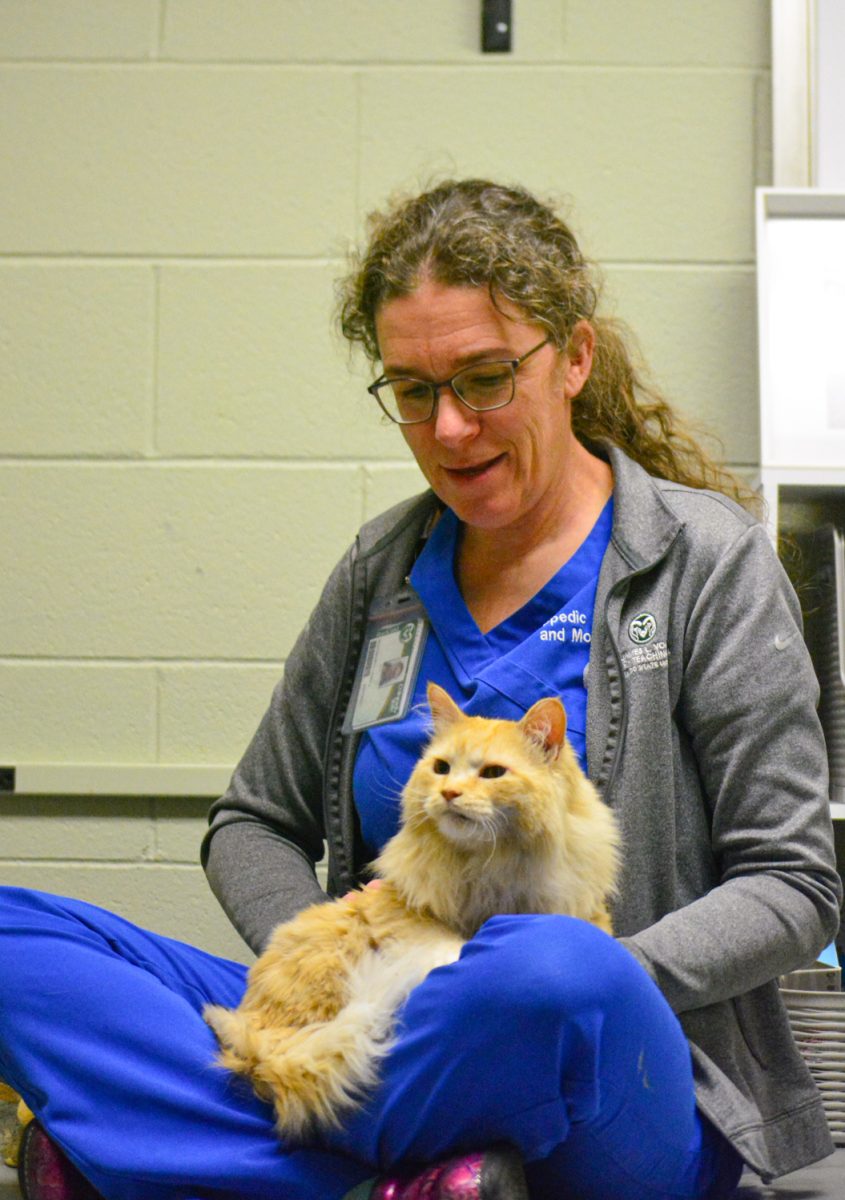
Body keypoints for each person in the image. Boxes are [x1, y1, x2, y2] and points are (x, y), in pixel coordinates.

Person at [0, 178, 841, 1200]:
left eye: (484, 380)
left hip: (608, 1048)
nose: (447, 429)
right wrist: (331, 956)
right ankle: (421, 1175)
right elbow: (249, 821)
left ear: (571, 358)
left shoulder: (702, 562)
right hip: (368, 1002)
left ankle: (179, 1155)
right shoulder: (381, 572)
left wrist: (610, 972)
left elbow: (792, 883)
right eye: (411, 391)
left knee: (546, 974)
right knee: (20, 939)